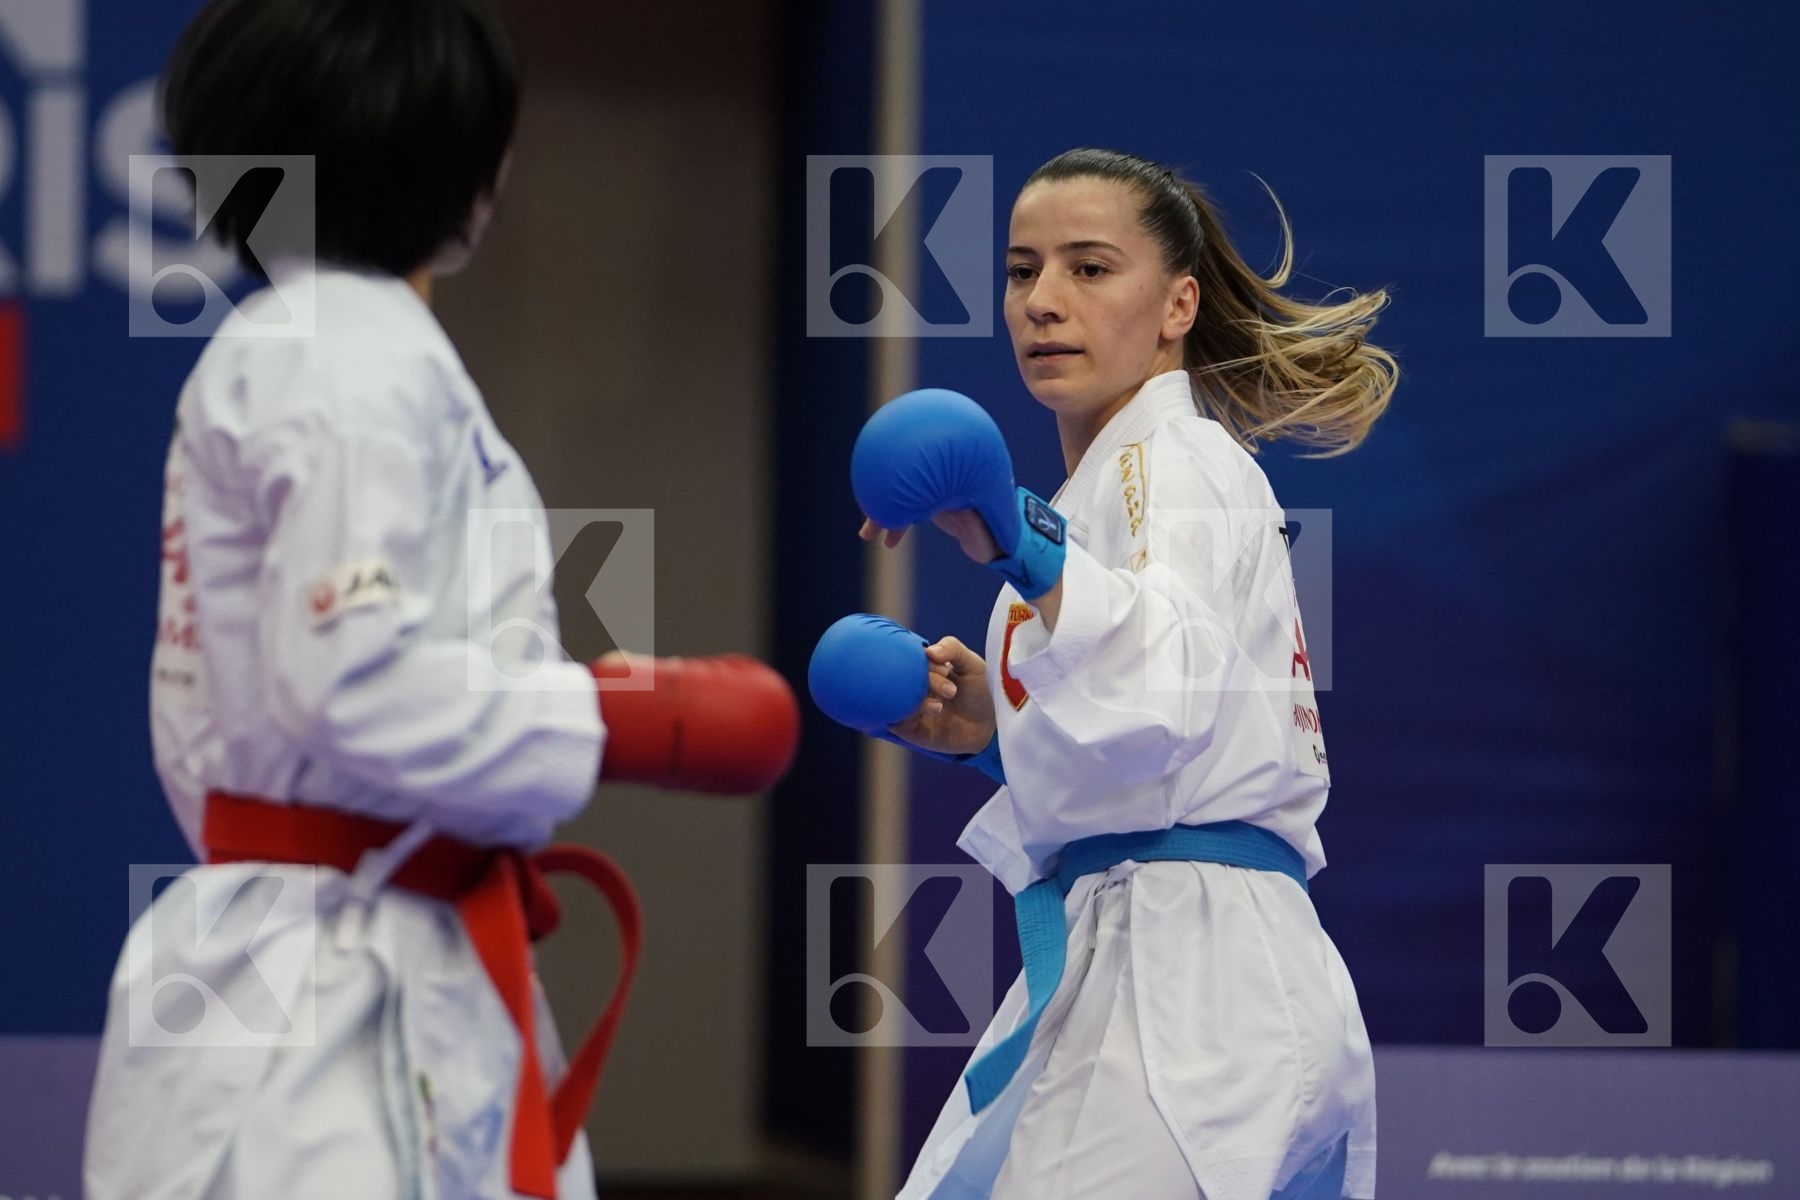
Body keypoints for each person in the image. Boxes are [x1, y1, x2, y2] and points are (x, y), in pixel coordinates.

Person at [84, 2, 798, 1197]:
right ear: (464, 162)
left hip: (359, 950)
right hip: (323, 1007)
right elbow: (348, 678)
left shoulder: (321, 342)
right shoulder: (346, 352)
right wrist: (624, 718)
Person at [857, 148, 1397, 1199]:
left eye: (1090, 268)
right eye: (1022, 271)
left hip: (1190, 978)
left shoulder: (1173, 462)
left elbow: (1167, 697)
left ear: (1177, 305)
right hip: (1171, 962)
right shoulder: (1100, 494)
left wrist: (1022, 543)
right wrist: (991, 737)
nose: (1042, 300)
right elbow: (1143, 742)